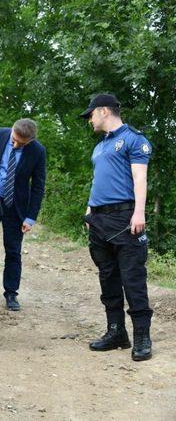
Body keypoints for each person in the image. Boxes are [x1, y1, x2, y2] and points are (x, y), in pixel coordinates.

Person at [80, 93, 153, 362]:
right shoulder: (100, 146)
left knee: (132, 279)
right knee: (107, 278)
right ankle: (116, 331)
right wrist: (90, 210)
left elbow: (140, 178)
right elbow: (99, 180)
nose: (89, 119)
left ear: (104, 112)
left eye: (91, 114)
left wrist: (139, 213)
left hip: (125, 218)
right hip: (98, 220)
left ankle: (142, 337)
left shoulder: (134, 139)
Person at [0, 119, 47, 311]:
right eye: (14, 140)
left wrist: (30, 217)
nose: (15, 145)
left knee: (13, 251)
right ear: (11, 130)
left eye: (21, 144)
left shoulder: (38, 151)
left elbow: (38, 186)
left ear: (30, 141)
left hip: (15, 207)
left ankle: (11, 293)